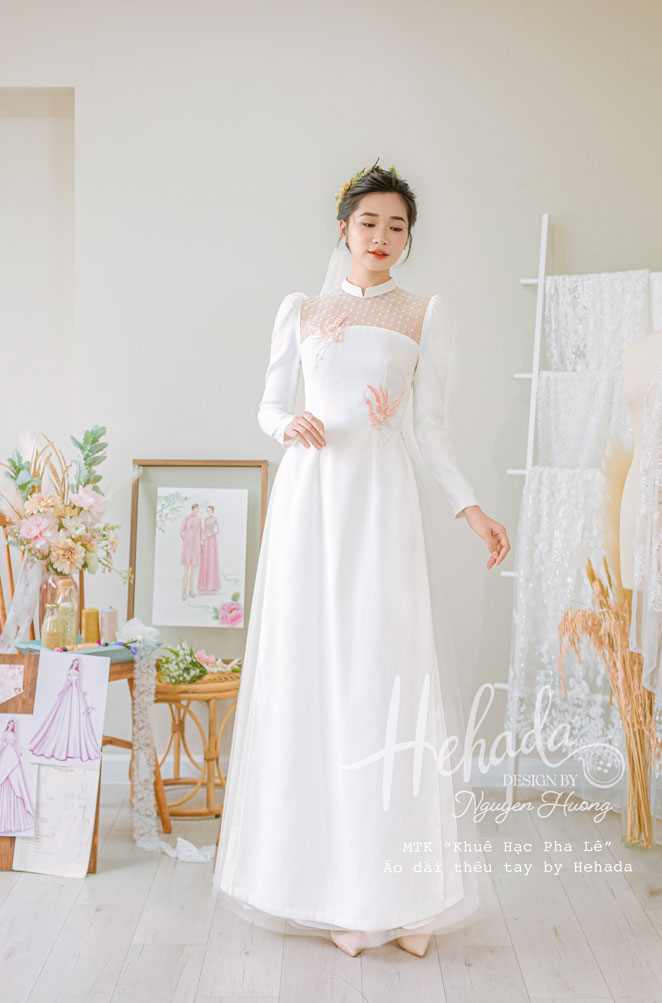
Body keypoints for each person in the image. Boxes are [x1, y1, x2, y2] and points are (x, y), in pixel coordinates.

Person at [212, 161, 510, 958]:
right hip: (311, 506)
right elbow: (270, 404)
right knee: (315, 679)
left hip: (381, 508)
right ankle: (335, 893)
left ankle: (405, 898)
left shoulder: (422, 313)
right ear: (342, 227)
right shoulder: (302, 310)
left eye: (397, 226)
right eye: (368, 222)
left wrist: (470, 506)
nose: (382, 236)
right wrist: (286, 426)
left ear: (408, 237)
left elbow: (430, 430)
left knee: (384, 680)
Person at [29, 657, 100, 762]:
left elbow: (79, 684)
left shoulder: (78, 673)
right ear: (72, 663)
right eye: (74, 662)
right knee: (66, 715)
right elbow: (65, 682)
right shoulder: (69, 671)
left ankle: (74, 748)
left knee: (76, 715)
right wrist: (62, 691)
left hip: (77, 694)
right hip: (69, 692)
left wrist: (82, 691)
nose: (76, 664)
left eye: (77, 663)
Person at [180, 503, 202, 599]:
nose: (197, 510)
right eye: (196, 509)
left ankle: (191, 590)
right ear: (193, 509)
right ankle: (184, 591)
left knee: (193, 570)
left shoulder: (199, 519)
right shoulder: (186, 518)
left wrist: (201, 540)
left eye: (198, 509)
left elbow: (201, 531)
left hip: (195, 546)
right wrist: (186, 538)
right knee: (186, 570)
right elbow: (181, 530)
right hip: (188, 546)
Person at [198, 504, 221, 594]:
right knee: (205, 560)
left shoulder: (215, 519)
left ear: (212, 510)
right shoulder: (205, 519)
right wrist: (202, 539)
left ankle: (212, 585)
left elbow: (218, 530)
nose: (208, 511)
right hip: (206, 540)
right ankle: (204, 585)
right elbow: (204, 530)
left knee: (211, 560)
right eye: (207, 510)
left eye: (209, 510)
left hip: (212, 540)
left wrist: (211, 533)